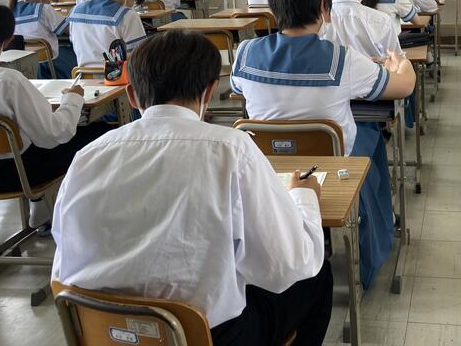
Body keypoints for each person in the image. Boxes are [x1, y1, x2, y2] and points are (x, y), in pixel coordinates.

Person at [52, 30, 333, 345]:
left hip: (104, 332)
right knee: (316, 275)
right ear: (210, 90)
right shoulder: (231, 149)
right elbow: (287, 266)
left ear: (131, 95)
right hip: (204, 336)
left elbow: (64, 255)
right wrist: (304, 197)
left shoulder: (87, 156)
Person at [230, 0, 416, 289]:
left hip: (266, 170)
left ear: (273, 6)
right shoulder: (341, 59)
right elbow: (403, 87)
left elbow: (236, 88)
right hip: (330, 168)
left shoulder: (245, 54)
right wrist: (402, 64)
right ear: (323, 6)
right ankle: (374, 238)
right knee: (370, 140)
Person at [0, 0, 108, 227]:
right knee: (101, 134)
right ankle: (84, 217)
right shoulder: (8, 81)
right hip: (21, 175)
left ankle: (40, 206)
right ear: (8, 40)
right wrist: (73, 98)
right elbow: (54, 135)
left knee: (25, 135)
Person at [66, 0, 147, 67]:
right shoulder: (127, 14)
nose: (132, 4)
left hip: (82, 74)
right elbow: (139, 54)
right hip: (117, 75)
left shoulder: (75, 11)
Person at [9, 0, 77, 79]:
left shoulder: (12, 8)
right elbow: (70, 29)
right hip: (48, 65)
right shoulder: (44, 9)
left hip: (22, 65)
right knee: (73, 51)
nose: (50, 3)